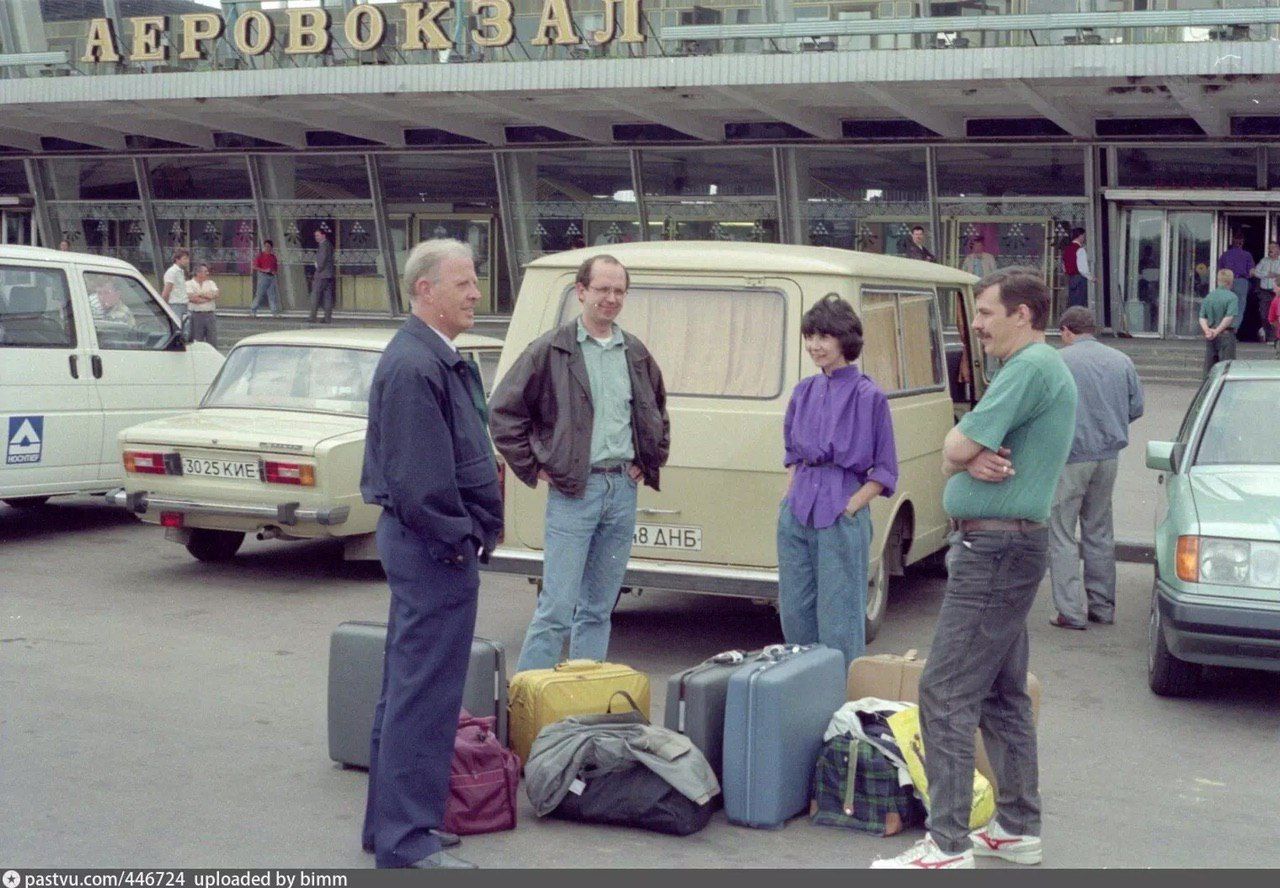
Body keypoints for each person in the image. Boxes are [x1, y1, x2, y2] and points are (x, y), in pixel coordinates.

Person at [873, 268, 1077, 870]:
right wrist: (959, 455)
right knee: (1002, 694)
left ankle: (946, 841)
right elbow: (955, 450)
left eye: (986, 313)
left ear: (1023, 314)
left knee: (945, 690)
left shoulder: (1028, 368)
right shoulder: (1033, 370)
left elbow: (955, 448)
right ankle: (1016, 827)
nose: (977, 325)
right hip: (1005, 548)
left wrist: (961, 455)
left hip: (994, 552)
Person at [359, 239, 503, 870]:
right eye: (464, 284)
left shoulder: (430, 358)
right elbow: (421, 484)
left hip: (425, 547)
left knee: (407, 689)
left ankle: (388, 827)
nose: (476, 294)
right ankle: (405, 838)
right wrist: (460, 538)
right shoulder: (416, 366)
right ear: (425, 290)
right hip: (432, 550)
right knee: (424, 695)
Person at [489, 254, 670, 672]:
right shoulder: (550, 350)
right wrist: (535, 466)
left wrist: (649, 458)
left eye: (619, 291)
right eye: (602, 289)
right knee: (556, 610)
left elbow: (657, 411)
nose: (611, 299)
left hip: (621, 491)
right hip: (575, 493)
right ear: (581, 291)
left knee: (598, 610)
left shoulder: (635, 352)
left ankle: (581, 706)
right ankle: (527, 708)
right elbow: (502, 412)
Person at [778, 295, 898, 668]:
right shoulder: (804, 391)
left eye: (824, 337)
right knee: (795, 612)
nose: (815, 346)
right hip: (798, 513)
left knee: (841, 618)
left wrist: (851, 506)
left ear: (845, 339)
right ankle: (799, 696)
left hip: (841, 513)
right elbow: (793, 455)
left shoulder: (869, 396)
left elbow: (884, 469)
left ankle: (841, 704)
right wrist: (787, 503)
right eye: (810, 336)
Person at [1047, 306, 1144, 630]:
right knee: (1099, 530)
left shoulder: (1059, 361)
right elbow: (1136, 407)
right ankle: (1102, 607)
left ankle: (1070, 611)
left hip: (1070, 457)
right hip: (1108, 457)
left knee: (1061, 533)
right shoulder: (1121, 361)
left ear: (1066, 331)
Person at [1200, 268, 1239, 376]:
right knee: (1226, 368)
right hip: (1226, 334)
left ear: (1218, 280)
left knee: (1209, 368)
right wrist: (1217, 331)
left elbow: (1202, 317)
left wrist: (1207, 331)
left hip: (1210, 335)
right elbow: (1229, 317)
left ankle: (1208, 390)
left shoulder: (1209, 296)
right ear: (1230, 282)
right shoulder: (1232, 297)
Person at [1217, 233, 1254, 338]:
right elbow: (1251, 272)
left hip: (1226, 281)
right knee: (1239, 307)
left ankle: (1223, 328)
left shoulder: (1225, 254)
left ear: (1232, 241)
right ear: (1242, 242)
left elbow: (1220, 270)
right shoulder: (1247, 255)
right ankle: (1233, 330)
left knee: (1226, 306)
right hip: (1241, 281)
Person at [1251, 242, 1280, 342]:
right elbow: (1255, 272)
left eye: (1272, 248)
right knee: (1264, 315)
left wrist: (1277, 274)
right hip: (1264, 292)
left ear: (1278, 249)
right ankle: (1270, 336)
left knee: (1277, 315)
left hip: (1276, 292)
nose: (1269, 250)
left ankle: (1276, 337)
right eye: (1269, 248)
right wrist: (1267, 274)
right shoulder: (1264, 261)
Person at [185, 263, 218, 347]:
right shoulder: (188, 284)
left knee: (212, 340)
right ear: (198, 273)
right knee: (197, 340)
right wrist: (208, 297)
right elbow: (193, 299)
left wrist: (199, 294)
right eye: (205, 271)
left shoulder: (211, 283)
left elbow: (216, 294)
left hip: (210, 315)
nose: (208, 273)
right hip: (196, 315)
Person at [309, 229, 336, 324]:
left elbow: (322, 259)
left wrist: (318, 267)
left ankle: (312, 317)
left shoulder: (323, 245)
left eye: (318, 235)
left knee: (315, 296)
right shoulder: (329, 244)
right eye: (315, 236)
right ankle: (327, 318)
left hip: (322, 275)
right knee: (327, 297)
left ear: (323, 235)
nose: (316, 237)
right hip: (328, 275)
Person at [250, 239, 281, 318]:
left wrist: (274, 272)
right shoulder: (260, 256)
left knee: (272, 295)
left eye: (268, 246)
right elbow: (254, 266)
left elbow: (276, 268)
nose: (267, 248)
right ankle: (253, 311)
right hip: (263, 276)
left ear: (271, 247)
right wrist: (264, 270)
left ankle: (274, 312)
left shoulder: (273, 257)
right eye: (266, 246)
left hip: (271, 277)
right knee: (259, 295)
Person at [1062, 228, 1091, 309]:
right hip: (1080, 279)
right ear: (1080, 236)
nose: (1084, 238)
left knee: (1073, 304)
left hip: (1071, 279)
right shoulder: (1080, 249)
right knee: (1080, 304)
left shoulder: (1067, 249)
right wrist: (1092, 278)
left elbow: (1064, 266)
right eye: (1083, 236)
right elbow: (1083, 268)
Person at [161, 248, 190, 323]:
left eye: (187, 258)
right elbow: (166, 291)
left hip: (184, 304)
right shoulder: (172, 272)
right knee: (178, 327)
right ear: (177, 259)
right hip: (176, 305)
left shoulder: (181, 272)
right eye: (185, 259)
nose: (187, 261)